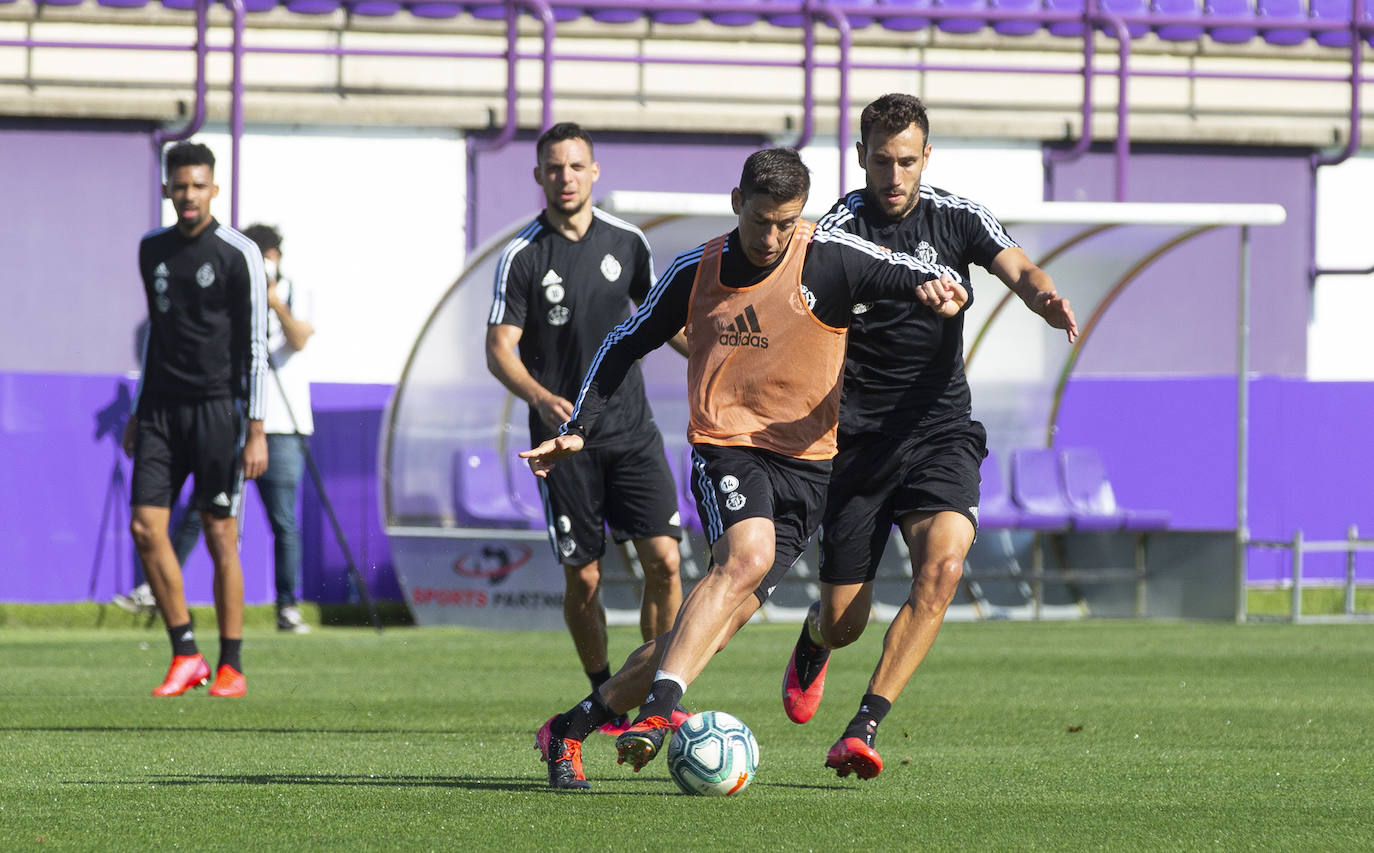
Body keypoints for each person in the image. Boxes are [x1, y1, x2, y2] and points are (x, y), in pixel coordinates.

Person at [526, 146, 969, 789]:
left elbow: (906, 268)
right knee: (746, 557)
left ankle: (569, 728)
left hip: (809, 467)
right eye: (760, 220)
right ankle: (659, 713)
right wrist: (576, 429)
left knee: (707, 630)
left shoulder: (828, 256)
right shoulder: (696, 269)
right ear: (738, 204)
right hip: (727, 445)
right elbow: (624, 343)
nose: (771, 237)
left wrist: (936, 286)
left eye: (785, 223)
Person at [781, 93, 1079, 780]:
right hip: (856, 443)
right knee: (844, 621)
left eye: (908, 161)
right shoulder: (836, 232)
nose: (895, 176)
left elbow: (1020, 269)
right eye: (882, 161)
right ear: (861, 157)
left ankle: (862, 726)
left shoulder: (957, 215)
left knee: (943, 568)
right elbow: (805, 320)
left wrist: (1044, 299)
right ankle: (816, 636)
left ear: (927, 157)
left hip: (939, 429)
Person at [485, 122, 685, 725]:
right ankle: (606, 694)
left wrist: (720, 358)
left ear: (594, 171)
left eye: (576, 166)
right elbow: (499, 348)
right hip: (561, 443)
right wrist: (540, 396)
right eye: (554, 168)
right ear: (539, 176)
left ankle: (658, 693)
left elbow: (665, 323)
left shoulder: (628, 242)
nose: (565, 177)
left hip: (631, 428)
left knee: (665, 561)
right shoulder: (523, 255)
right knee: (586, 577)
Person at [123, 140, 269, 698]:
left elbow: (255, 346)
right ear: (167, 189)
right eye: (180, 186)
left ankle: (231, 663)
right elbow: (156, 336)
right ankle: (185, 651)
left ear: (214, 189)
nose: (189, 195)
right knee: (146, 527)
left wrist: (256, 428)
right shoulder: (151, 249)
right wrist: (137, 408)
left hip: (217, 410)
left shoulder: (239, 253)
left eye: (199, 186)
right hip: (160, 411)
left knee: (219, 533)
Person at [126, 225, 317, 633]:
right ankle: (158, 590)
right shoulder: (228, 285)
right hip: (229, 417)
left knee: (283, 520)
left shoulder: (296, 290)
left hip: (282, 426)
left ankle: (287, 605)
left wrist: (273, 302)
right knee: (206, 514)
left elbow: (298, 339)